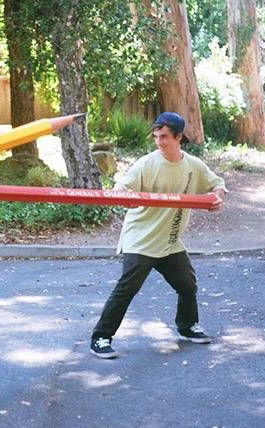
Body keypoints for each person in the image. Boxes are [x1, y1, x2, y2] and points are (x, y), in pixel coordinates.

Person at [90, 112, 227, 359]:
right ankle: (100, 338)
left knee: (187, 284)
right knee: (126, 289)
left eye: (164, 137)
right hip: (140, 239)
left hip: (169, 241)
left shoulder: (193, 166)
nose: (159, 142)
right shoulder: (147, 163)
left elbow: (216, 184)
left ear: (179, 137)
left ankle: (187, 327)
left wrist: (216, 197)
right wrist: (125, 199)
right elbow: (120, 189)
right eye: (156, 137)